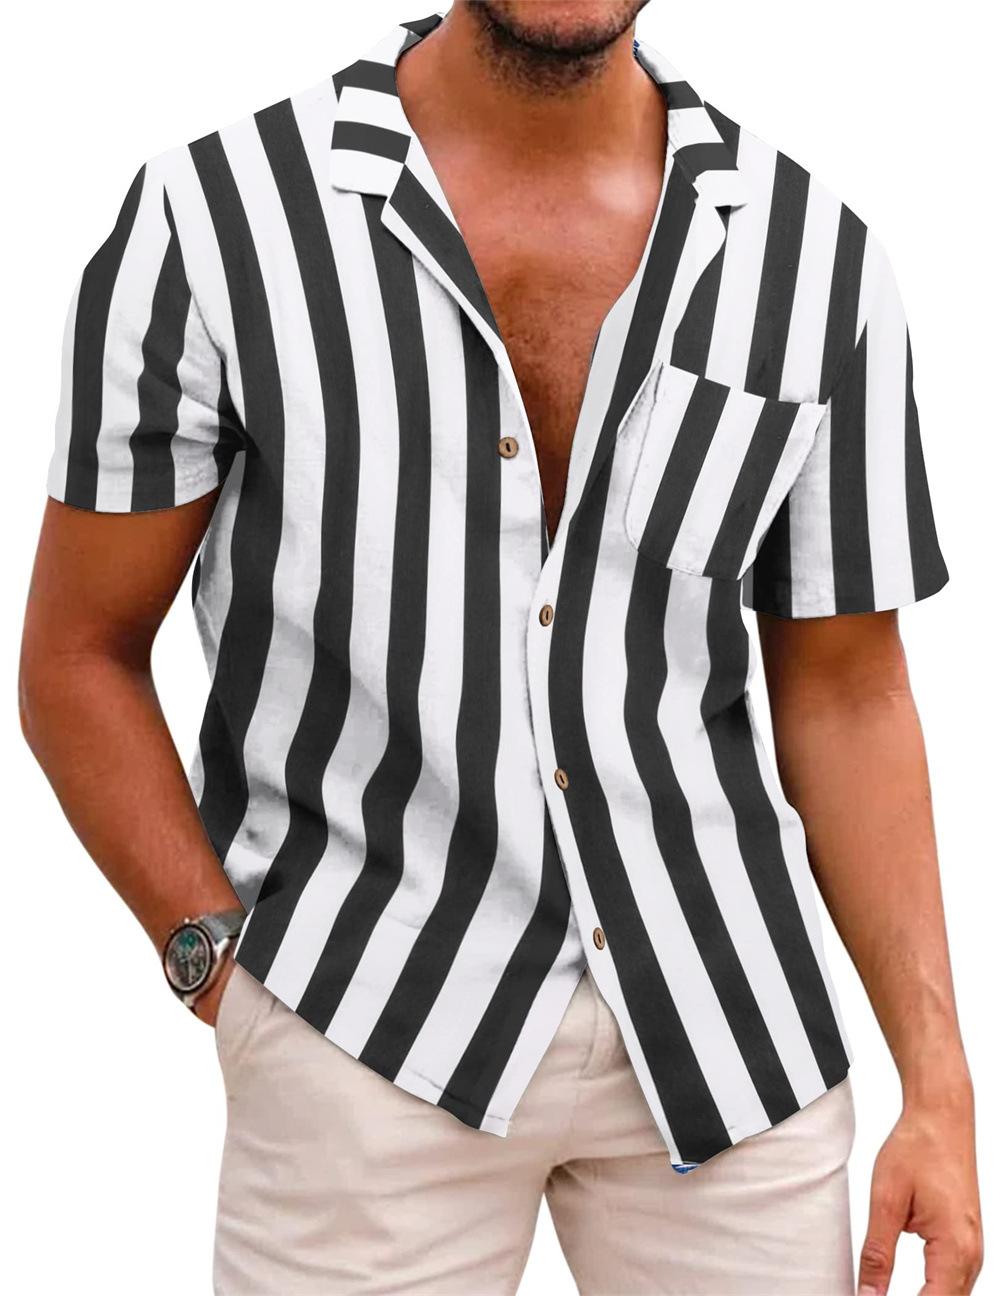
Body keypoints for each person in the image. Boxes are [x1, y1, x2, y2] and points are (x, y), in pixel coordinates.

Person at [20, 3, 982, 1293]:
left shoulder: (812, 260)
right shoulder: (215, 223)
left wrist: (938, 1084)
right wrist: (221, 974)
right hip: (362, 1030)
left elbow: (851, 692)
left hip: (730, 1038)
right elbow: (78, 654)